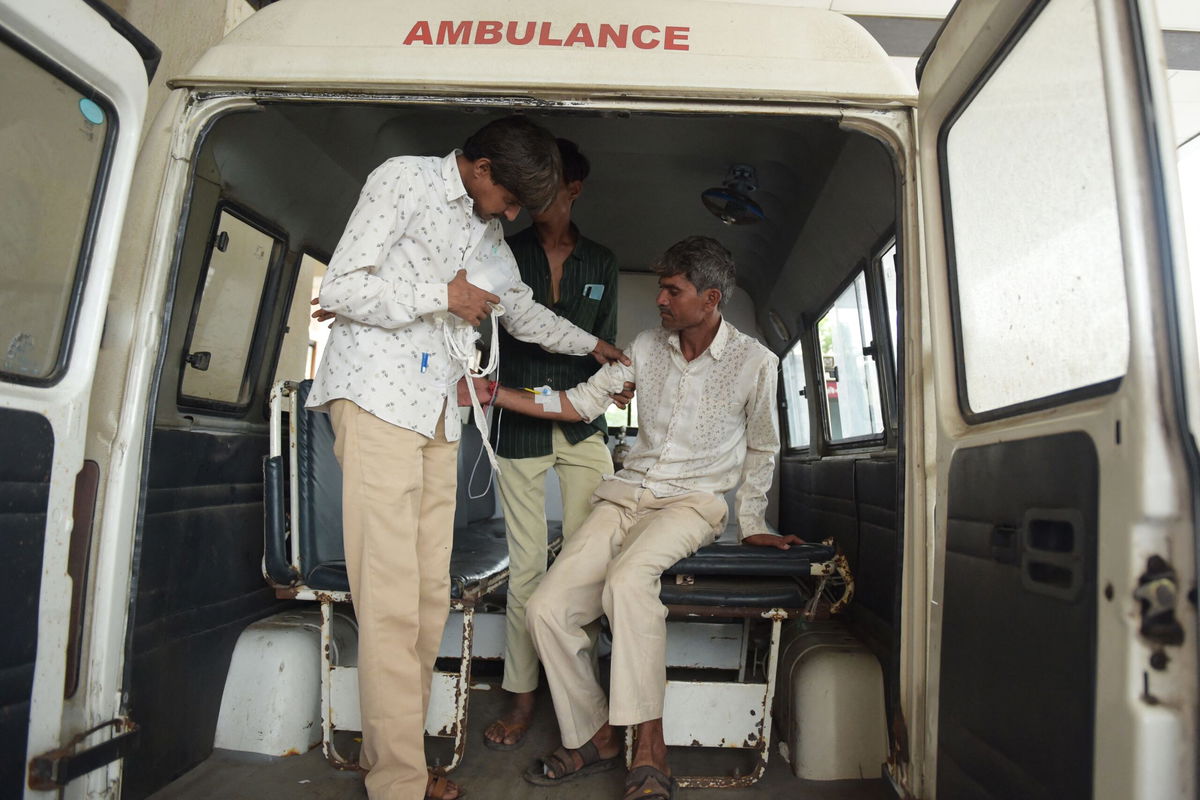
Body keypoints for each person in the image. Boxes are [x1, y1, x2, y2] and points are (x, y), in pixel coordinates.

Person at [306, 115, 627, 800]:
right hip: (376, 400)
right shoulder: (401, 181)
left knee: (425, 601)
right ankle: (396, 781)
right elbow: (338, 290)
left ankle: (403, 766)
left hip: (437, 410)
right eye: (509, 200)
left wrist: (593, 348)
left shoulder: (484, 233)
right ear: (480, 167)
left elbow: (521, 311)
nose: (511, 216)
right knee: (389, 601)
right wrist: (439, 297)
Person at [484, 236, 804, 800]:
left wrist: (752, 519)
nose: (659, 298)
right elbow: (581, 402)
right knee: (547, 609)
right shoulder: (645, 348)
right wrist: (494, 393)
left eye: (671, 289)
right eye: (660, 286)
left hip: (693, 502)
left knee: (629, 582)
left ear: (709, 299)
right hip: (625, 493)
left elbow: (763, 447)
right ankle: (598, 734)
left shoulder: (756, 362)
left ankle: (649, 745)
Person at [483, 138, 620, 751]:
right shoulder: (502, 254)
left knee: (586, 565)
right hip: (519, 424)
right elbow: (502, 333)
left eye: (552, 186)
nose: (538, 199)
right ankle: (521, 694)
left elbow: (607, 346)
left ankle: (581, 691)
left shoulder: (603, 261)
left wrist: (602, 388)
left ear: (574, 189)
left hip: (584, 426)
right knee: (527, 568)